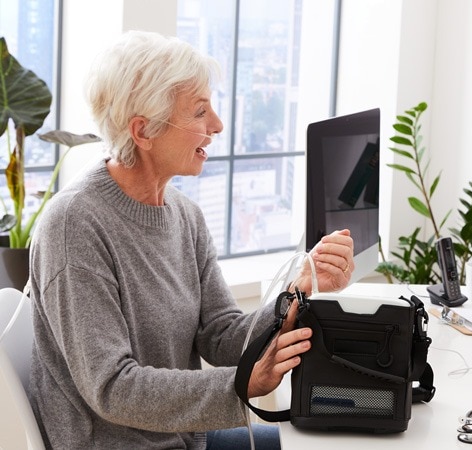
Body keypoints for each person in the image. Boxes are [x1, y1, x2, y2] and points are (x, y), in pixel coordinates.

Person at [28, 30, 355, 449]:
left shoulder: (184, 214)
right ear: (143, 131)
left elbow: (220, 335)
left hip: (186, 440)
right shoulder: (74, 226)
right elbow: (112, 387)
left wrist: (297, 290)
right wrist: (242, 384)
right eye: (200, 112)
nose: (217, 125)